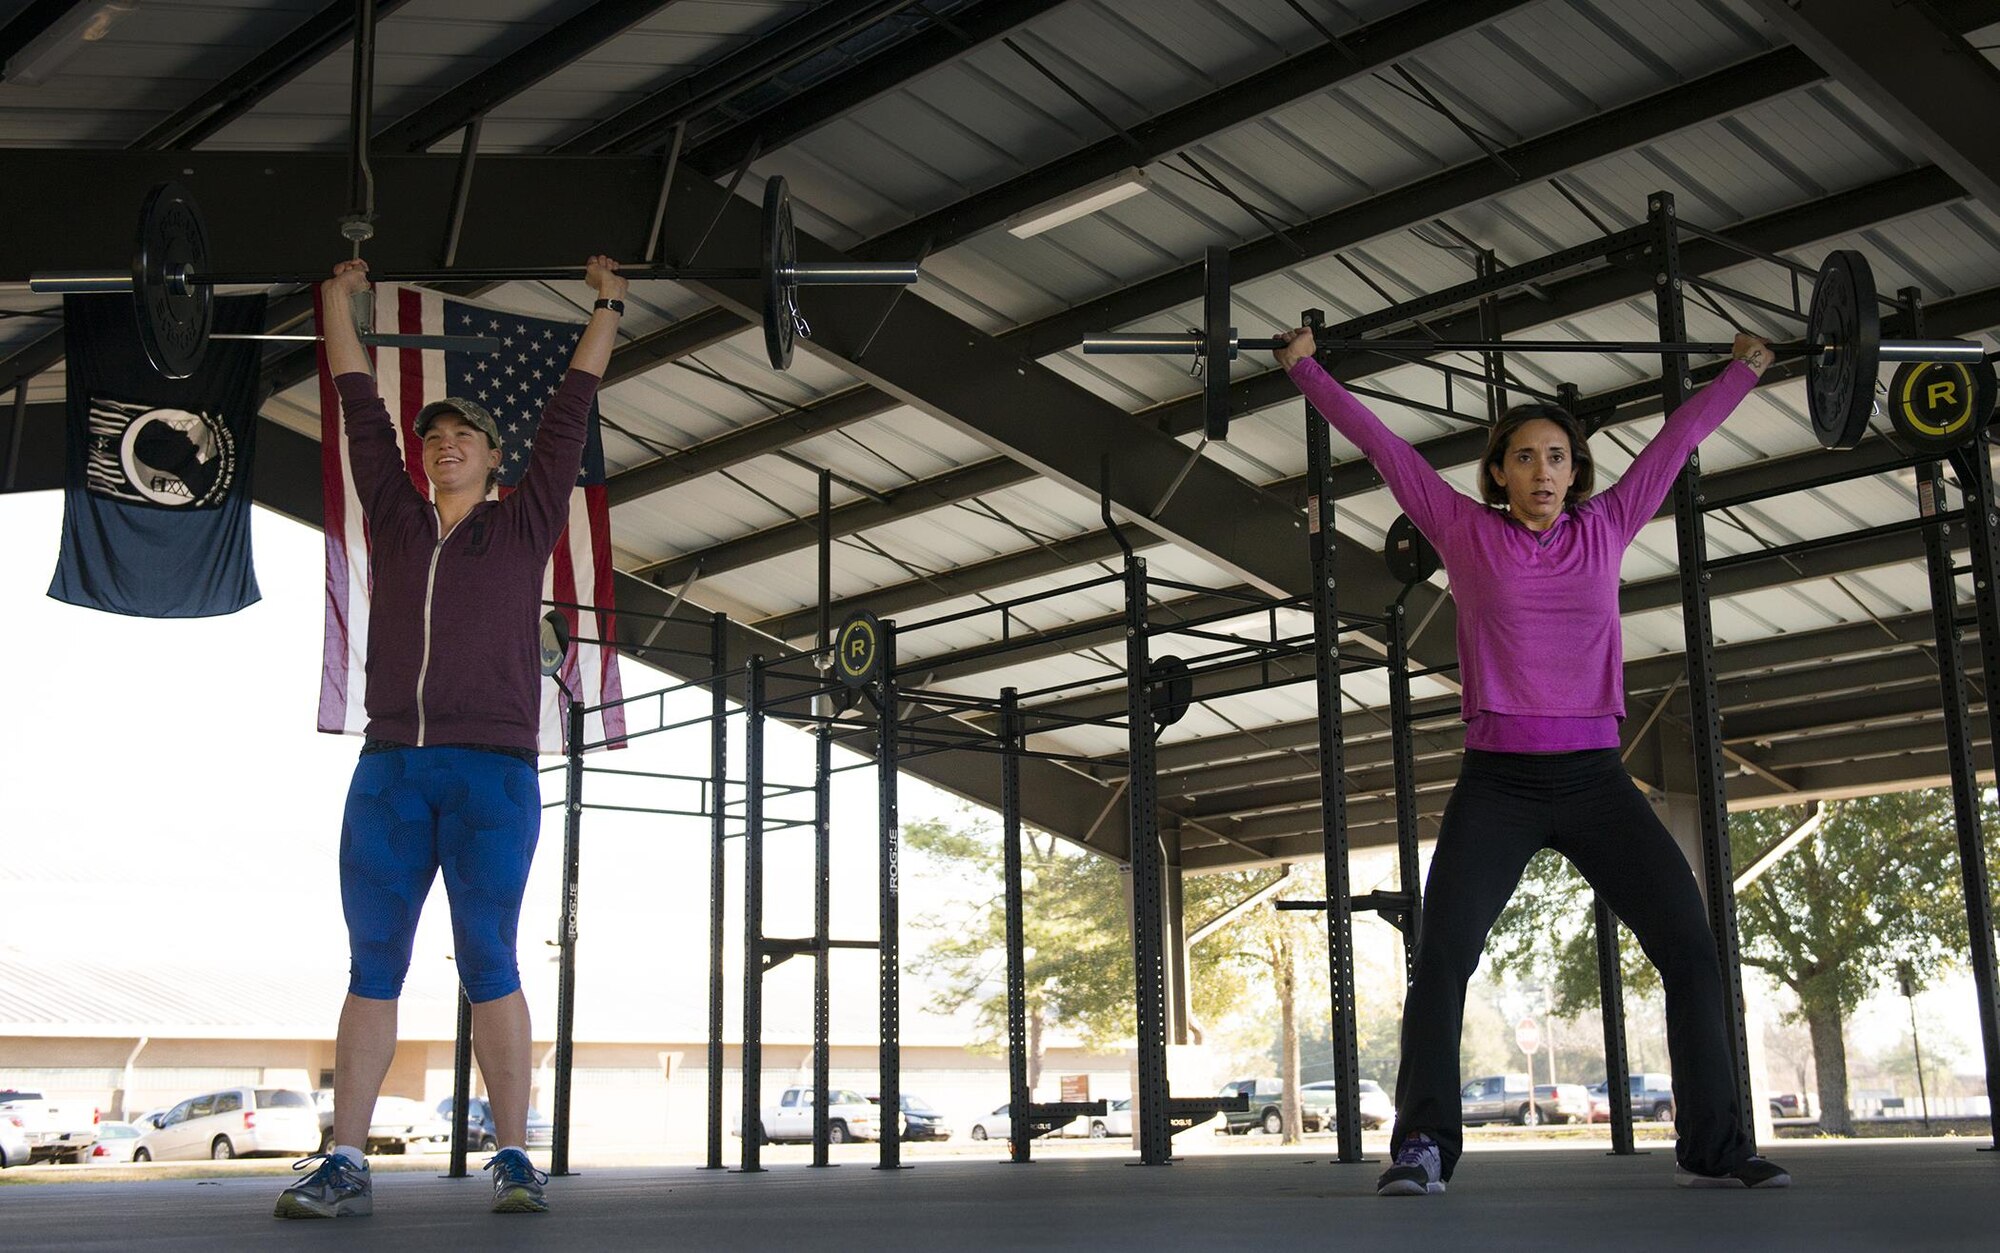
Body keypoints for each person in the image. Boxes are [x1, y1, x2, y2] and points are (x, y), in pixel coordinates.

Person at [1273, 327, 1792, 1197]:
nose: (1543, 472)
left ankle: (1719, 1144)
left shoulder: (1611, 523)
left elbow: (1677, 440)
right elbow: (1382, 445)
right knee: (1442, 957)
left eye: (1558, 457)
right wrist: (1304, 369)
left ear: (1576, 471)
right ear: (1499, 474)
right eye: (1525, 458)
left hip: (1597, 780)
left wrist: (1743, 370)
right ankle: (1424, 1147)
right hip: (1498, 785)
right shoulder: (1461, 530)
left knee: (1692, 947)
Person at [275, 255, 628, 1219]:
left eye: (463, 437)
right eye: (434, 438)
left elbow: (571, 412)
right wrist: (338, 304)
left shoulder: (521, 528)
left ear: (493, 459)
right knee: (373, 963)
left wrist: (603, 307)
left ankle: (514, 1155)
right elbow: (357, 403)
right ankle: (346, 1157)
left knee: (491, 961)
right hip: (391, 770)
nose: (443, 447)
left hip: (494, 774)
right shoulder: (394, 518)